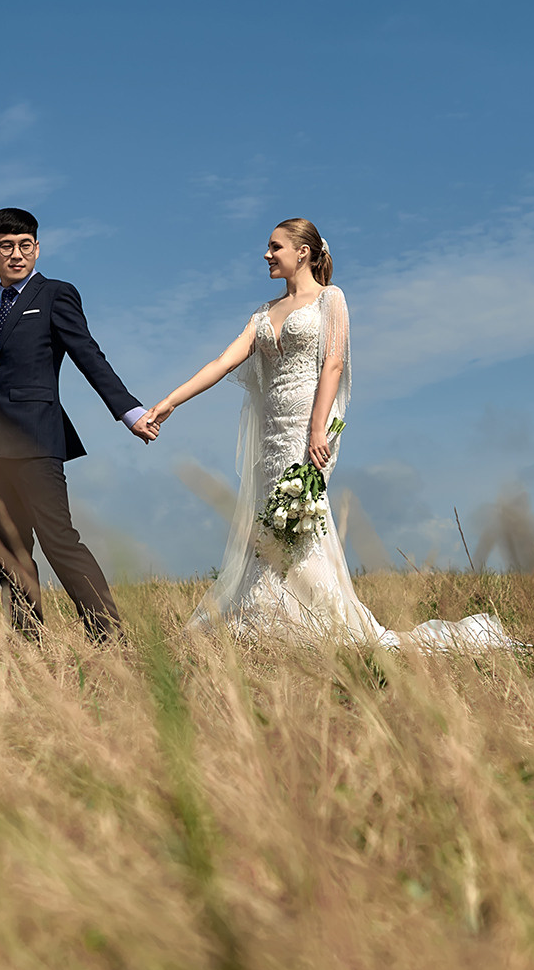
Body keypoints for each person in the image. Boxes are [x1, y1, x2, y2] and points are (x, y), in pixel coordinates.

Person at [141, 218, 511, 650]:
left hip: (309, 431)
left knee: (300, 523)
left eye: (275, 246)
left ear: (302, 252)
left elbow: (332, 364)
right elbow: (222, 362)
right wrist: (169, 402)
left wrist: (318, 429)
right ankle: (268, 618)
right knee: (270, 521)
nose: (266, 254)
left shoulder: (330, 300)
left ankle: (318, 623)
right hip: (273, 434)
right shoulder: (262, 313)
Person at [0, 207, 158, 641]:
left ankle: (110, 636)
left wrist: (129, 411)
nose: (17, 254)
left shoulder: (55, 294)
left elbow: (88, 355)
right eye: (6, 247)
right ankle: (28, 644)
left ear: (37, 248)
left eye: (26, 245)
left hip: (38, 440)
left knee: (59, 540)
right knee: (9, 552)